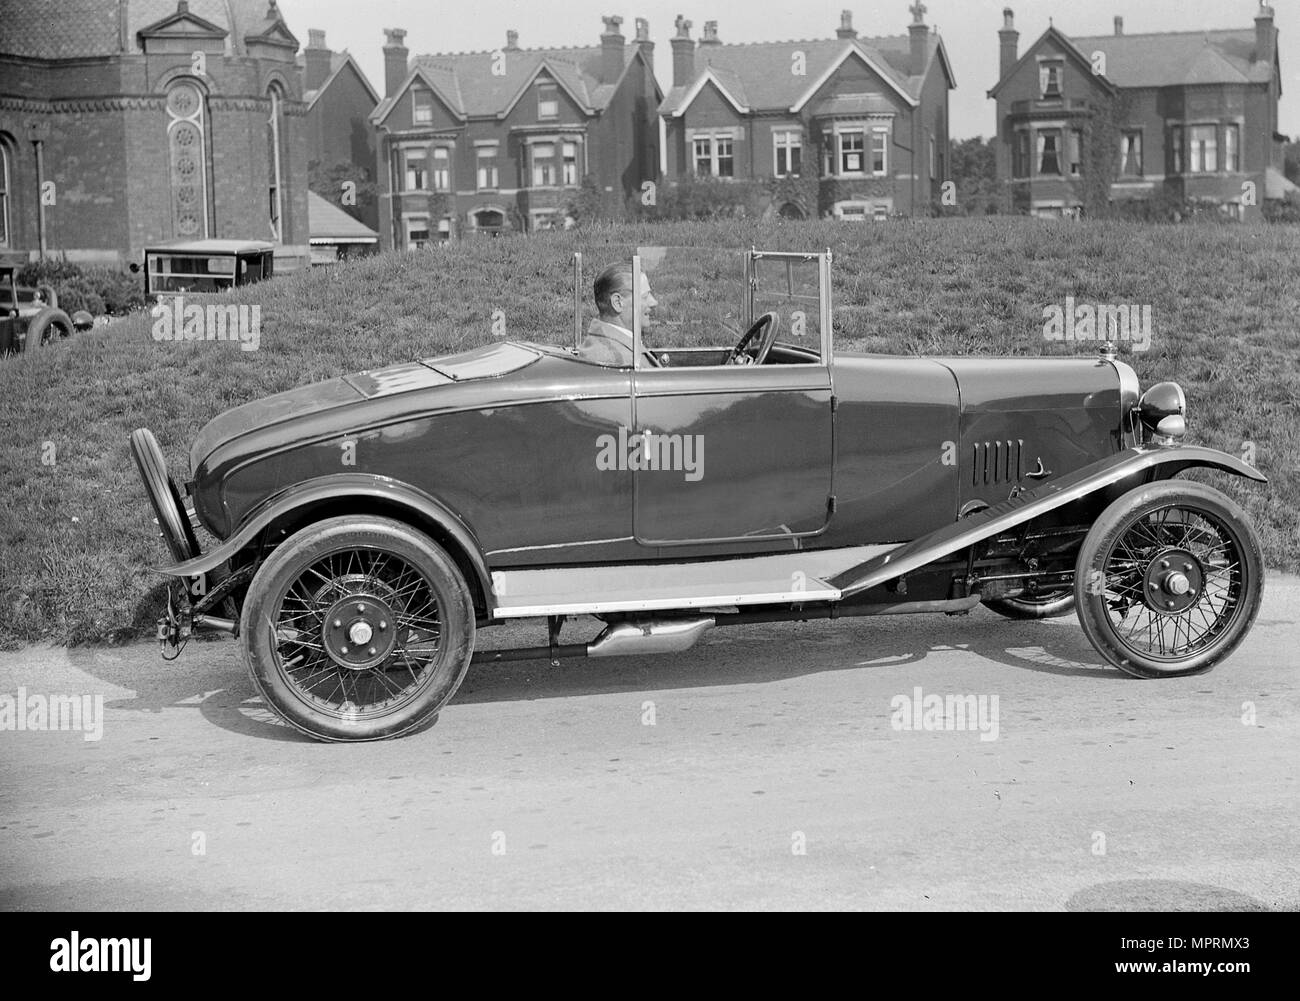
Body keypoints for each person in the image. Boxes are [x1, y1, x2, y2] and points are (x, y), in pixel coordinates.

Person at [575, 263, 661, 367]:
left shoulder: (616, 349)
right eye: (644, 296)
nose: (654, 302)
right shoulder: (615, 359)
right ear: (618, 303)